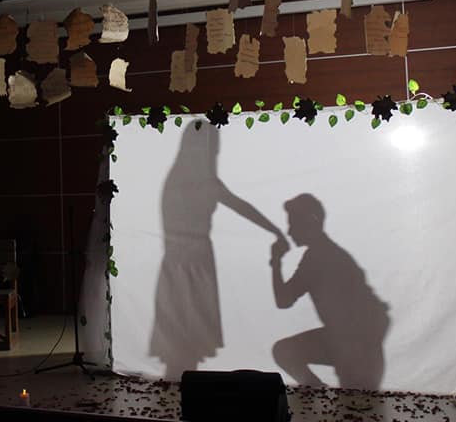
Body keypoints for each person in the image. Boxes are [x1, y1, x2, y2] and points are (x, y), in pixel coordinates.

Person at [150, 121, 286, 378]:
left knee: (183, 329)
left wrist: (274, 230)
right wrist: (275, 230)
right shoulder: (203, 182)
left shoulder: (179, 179)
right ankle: (181, 383)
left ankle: (179, 383)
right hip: (193, 260)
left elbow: (240, 206)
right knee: (188, 329)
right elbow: (240, 206)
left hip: (180, 259)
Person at [270, 194, 389, 390]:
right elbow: (284, 300)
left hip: (357, 354)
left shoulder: (322, 256)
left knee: (285, 351)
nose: (289, 231)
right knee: (285, 351)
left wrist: (275, 262)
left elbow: (283, 300)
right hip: (348, 346)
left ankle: (318, 393)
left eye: (293, 224)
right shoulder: (319, 255)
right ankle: (318, 393)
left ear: (311, 222)